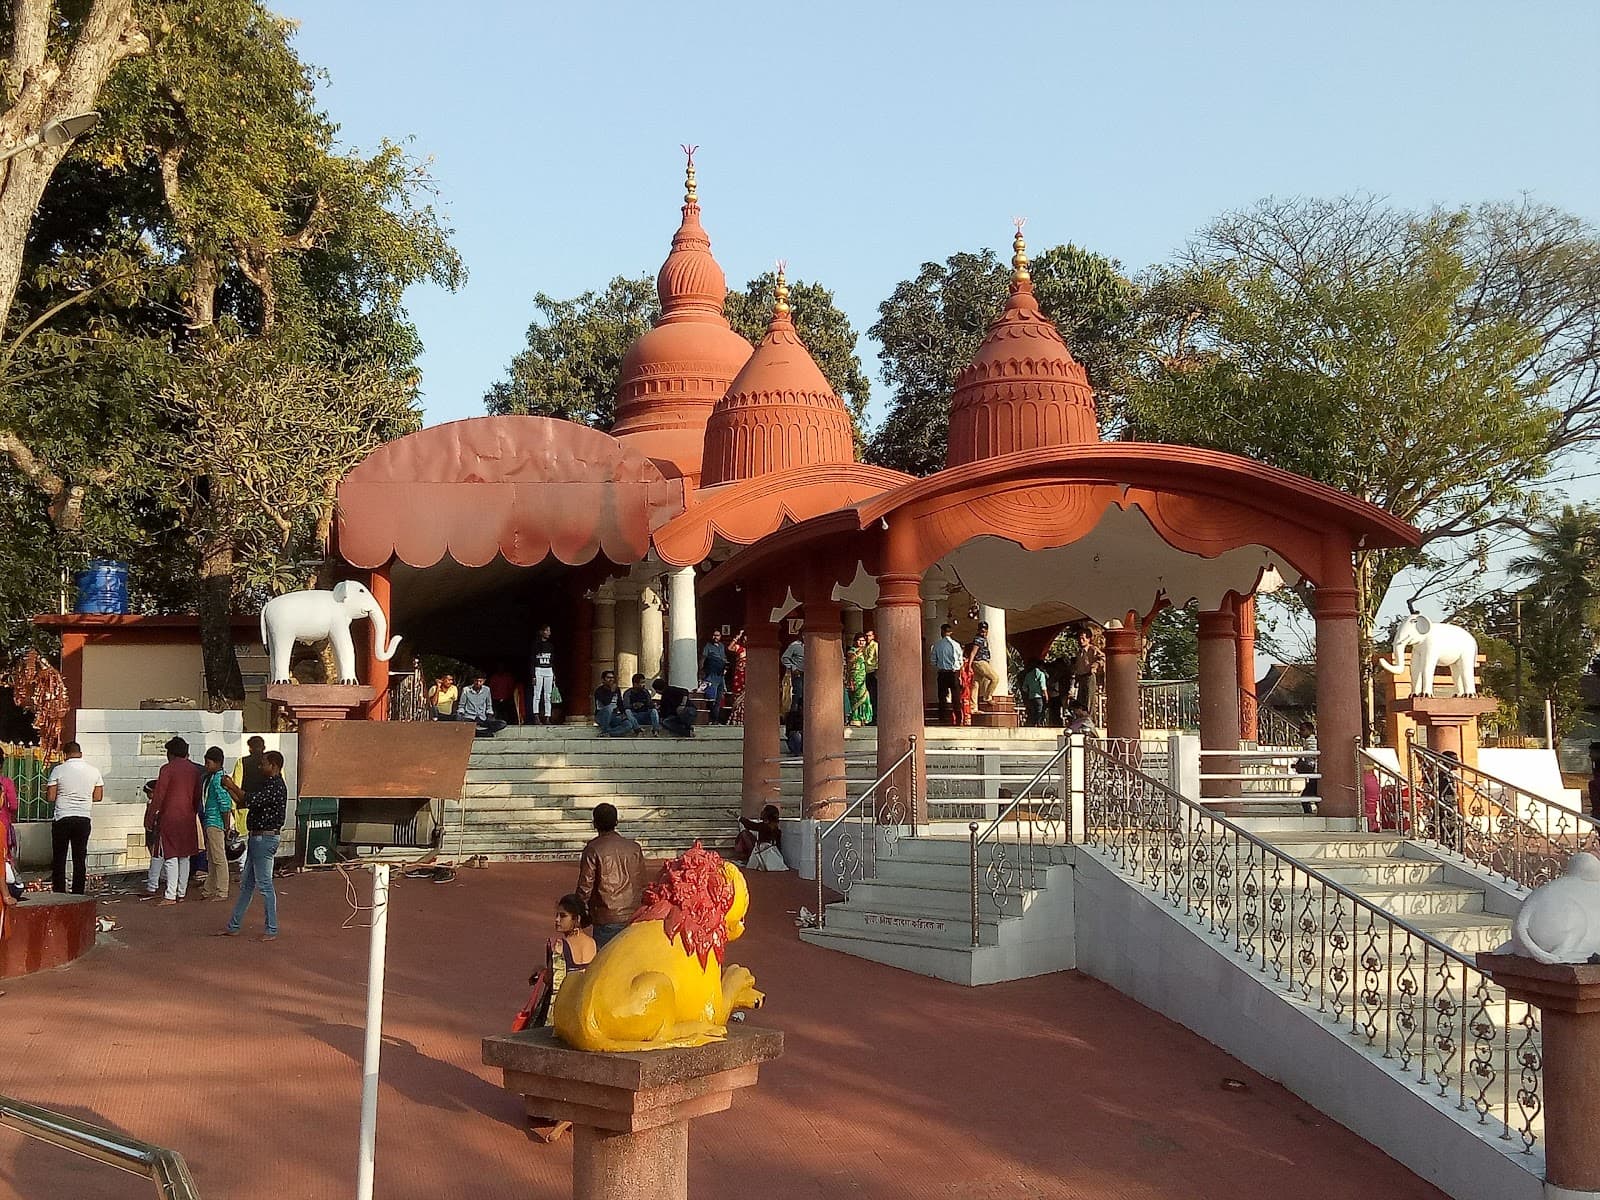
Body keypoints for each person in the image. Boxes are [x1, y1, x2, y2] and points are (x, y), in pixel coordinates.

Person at [222, 749, 287, 941]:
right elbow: (244, 801)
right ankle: (234, 925)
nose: (260, 766)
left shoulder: (275, 786)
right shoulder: (268, 784)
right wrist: (229, 788)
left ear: (273, 766)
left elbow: (249, 799)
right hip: (258, 838)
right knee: (247, 884)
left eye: (264, 763)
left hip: (264, 838)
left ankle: (271, 929)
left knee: (264, 885)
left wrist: (231, 785)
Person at [574, 803, 645, 948]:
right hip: (633, 913)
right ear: (616, 822)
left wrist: (577, 911)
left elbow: (585, 886)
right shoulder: (634, 848)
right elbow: (641, 882)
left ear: (594, 824)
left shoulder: (593, 849)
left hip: (606, 915)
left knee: (605, 958)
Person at [145, 737, 202, 905]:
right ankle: (181, 892)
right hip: (188, 817)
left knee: (170, 856)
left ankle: (170, 895)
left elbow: (159, 796)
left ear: (171, 753)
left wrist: (150, 817)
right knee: (184, 856)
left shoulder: (167, 769)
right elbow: (197, 796)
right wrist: (192, 811)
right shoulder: (194, 770)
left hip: (169, 817)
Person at [46, 740, 102, 895]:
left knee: (59, 857)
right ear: (81, 754)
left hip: (62, 817)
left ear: (65, 755)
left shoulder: (58, 770)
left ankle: (59, 891)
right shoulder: (94, 771)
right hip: (83, 818)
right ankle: (78, 892)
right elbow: (98, 796)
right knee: (79, 857)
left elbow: (51, 797)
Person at [199, 747, 240, 902]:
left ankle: (222, 890)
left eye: (208, 763)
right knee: (212, 857)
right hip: (211, 821)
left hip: (215, 821)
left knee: (218, 858)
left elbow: (225, 804)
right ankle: (210, 888)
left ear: (217, 763)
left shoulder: (218, 780)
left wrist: (226, 826)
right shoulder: (214, 777)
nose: (206, 766)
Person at [231, 735, 267, 840]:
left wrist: (233, 809)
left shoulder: (242, 762)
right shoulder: (272, 764)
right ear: (264, 748)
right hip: (266, 814)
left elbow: (236, 786)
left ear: (249, 748)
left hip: (245, 811)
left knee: (244, 845)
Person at [930, 623, 963, 724]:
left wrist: (940, 665)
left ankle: (943, 718)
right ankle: (958, 718)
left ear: (942, 632)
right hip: (954, 672)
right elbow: (960, 660)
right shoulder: (956, 645)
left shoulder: (937, 645)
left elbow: (933, 661)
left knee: (942, 696)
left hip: (943, 673)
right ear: (950, 632)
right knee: (956, 696)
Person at [458, 672, 508, 737]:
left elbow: (489, 706)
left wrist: (489, 715)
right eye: (476, 681)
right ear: (473, 680)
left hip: (482, 718)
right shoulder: (466, 690)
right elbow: (461, 706)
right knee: (457, 719)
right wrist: (460, 714)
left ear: (484, 681)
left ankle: (479, 733)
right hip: (469, 717)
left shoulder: (487, 690)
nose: (478, 683)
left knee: (502, 723)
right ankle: (481, 733)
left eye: (480, 681)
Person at [1070, 627, 1105, 712]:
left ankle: (1090, 717)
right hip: (1081, 677)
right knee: (1081, 700)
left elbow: (1103, 658)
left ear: (1088, 639)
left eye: (1083, 638)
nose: (1081, 641)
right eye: (1079, 639)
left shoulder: (1093, 649)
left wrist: (1096, 665)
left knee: (1089, 700)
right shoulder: (1079, 652)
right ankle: (1083, 716)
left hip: (1089, 676)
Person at [593, 671, 637, 737]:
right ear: (603, 680)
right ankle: (605, 730)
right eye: (608, 678)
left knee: (628, 725)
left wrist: (623, 714)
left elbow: (620, 703)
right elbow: (606, 703)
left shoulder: (617, 690)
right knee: (609, 707)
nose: (611, 680)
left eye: (612, 678)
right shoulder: (599, 691)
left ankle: (609, 733)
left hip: (613, 716)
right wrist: (611, 692)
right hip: (601, 715)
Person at [968, 621, 1001, 707]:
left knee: (976, 684)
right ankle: (988, 697)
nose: (983, 632)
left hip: (979, 662)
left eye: (985, 630)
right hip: (980, 661)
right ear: (978, 630)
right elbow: (973, 652)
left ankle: (973, 707)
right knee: (995, 678)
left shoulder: (983, 639)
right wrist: (969, 665)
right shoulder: (978, 639)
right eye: (981, 630)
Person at [529, 625, 557, 725]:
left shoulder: (550, 645)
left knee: (548, 695)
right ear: (542, 632)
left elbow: (553, 661)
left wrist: (553, 673)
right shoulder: (535, 645)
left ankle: (547, 717)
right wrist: (533, 675)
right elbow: (532, 661)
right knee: (537, 694)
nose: (549, 633)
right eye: (547, 630)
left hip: (548, 669)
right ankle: (536, 716)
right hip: (538, 669)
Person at [699, 629, 728, 722]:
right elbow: (703, 658)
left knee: (719, 697)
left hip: (720, 675)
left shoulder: (722, 646)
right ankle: (711, 717)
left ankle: (716, 719)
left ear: (720, 636)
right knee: (711, 697)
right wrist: (701, 671)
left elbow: (724, 658)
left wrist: (725, 668)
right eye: (714, 635)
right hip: (711, 674)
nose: (715, 637)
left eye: (717, 635)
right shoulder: (708, 646)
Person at [846, 632, 874, 727]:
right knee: (856, 697)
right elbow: (850, 662)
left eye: (863, 640)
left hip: (863, 677)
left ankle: (863, 718)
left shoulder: (865, 651)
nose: (862, 642)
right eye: (859, 640)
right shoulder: (851, 651)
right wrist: (850, 680)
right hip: (854, 677)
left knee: (865, 696)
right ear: (855, 641)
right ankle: (855, 718)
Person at [1016, 659, 1050, 727]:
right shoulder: (1041, 674)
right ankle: (1038, 723)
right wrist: (1046, 696)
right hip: (1039, 696)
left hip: (1031, 696)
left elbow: (1024, 688)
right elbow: (1043, 686)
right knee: (1040, 711)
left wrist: (1029, 692)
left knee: (1032, 711)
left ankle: (1033, 724)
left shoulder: (1028, 675)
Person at [1295, 721, 1319, 815]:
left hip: (1315, 773)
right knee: (1312, 796)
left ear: (1310, 730)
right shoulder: (1308, 741)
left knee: (1305, 797)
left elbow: (1312, 756)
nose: (1300, 732)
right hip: (1314, 774)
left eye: (1303, 730)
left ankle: (1309, 815)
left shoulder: (1311, 741)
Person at [726, 631, 748, 725]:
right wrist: (737, 637)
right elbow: (729, 648)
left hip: (748, 676)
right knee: (738, 696)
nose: (746, 641)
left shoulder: (753, 651)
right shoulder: (739, 648)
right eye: (744, 639)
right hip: (739, 675)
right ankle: (737, 718)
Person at [780, 632, 805, 713]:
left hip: (809, 674)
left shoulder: (811, 644)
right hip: (798, 673)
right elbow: (784, 658)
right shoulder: (795, 645)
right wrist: (793, 668)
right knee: (798, 693)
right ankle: (794, 713)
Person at [863, 630, 879, 725]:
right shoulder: (866, 647)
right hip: (866, 672)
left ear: (873, 636)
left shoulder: (875, 646)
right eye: (866, 636)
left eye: (869, 636)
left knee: (874, 695)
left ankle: (875, 717)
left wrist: (877, 671)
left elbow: (878, 658)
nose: (867, 638)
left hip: (873, 671)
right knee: (869, 696)